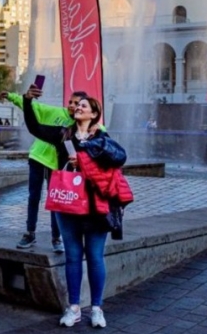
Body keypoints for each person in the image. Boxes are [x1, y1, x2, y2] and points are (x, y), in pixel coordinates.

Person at [22, 89, 132, 329]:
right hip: (68, 203)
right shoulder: (63, 134)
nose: (78, 107)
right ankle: (73, 308)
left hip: (95, 206)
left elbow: (119, 156)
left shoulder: (101, 138)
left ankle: (96, 308)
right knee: (72, 257)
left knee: (94, 257)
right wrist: (27, 100)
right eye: (76, 105)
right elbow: (34, 127)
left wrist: (85, 155)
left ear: (94, 114)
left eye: (84, 105)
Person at [0, 87, 89, 253]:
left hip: (55, 166)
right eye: (70, 102)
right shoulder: (55, 113)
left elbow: (99, 132)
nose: (71, 105)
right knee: (34, 196)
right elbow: (33, 108)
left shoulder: (79, 125)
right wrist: (13, 96)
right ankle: (30, 233)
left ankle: (56, 237)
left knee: (55, 199)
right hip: (38, 158)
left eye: (76, 103)